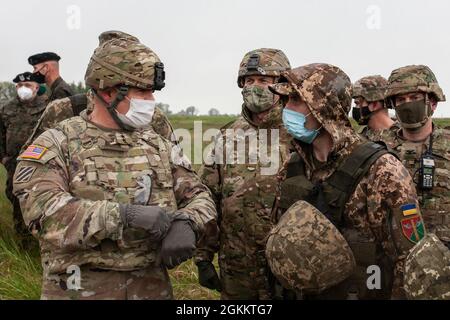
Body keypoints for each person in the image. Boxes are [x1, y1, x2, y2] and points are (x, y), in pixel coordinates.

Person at [13, 31, 218, 300]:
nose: (151, 101)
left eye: (152, 92)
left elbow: (200, 195)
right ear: (109, 92)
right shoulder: (57, 142)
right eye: (142, 91)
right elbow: (43, 212)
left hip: (151, 287)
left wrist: (189, 222)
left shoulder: (158, 144)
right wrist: (123, 216)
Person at [269, 63, 425, 299]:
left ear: (323, 108)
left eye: (296, 100)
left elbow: (409, 262)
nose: (287, 109)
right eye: (287, 100)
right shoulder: (293, 166)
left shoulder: (382, 171)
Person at [195, 48, 292, 299]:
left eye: (263, 80)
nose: (255, 87)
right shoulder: (226, 137)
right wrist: (203, 255)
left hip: (289, 262)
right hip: (237, 266)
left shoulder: (299, 133)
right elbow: (208, 196)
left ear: (281, 85)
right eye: (249, 81)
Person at [382, 65, 449, 247]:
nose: (407, 104)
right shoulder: (378, 148)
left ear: (432, 103)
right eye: (401, 99)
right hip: (392, 255)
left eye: (414, 98)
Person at [0, 71, 47, 244]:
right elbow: (1, 134)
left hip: (39, 162)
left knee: (40, 197)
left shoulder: (47, 106)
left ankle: (42, 236)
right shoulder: (8, 108)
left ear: (36, 87)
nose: (23, 88)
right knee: (15, 195)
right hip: (14, 162)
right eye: (19, 86)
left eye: (27, 85)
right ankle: (23, 239)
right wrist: (3, 157)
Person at [351, 75, 398, 141]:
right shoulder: (358, 138)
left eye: (357, 103)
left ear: (375, 105)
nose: (355, 108)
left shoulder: (404, 136)